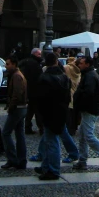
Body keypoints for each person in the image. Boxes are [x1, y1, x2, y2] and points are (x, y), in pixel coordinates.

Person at [72, 55, 99, 171]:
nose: (79, 65)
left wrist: (79, 103)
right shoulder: (89, 74)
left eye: (81, 63)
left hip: (89, 109)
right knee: (82, 135)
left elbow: (87, 93)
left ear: (87, 64)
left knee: (88, 135)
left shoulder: (90, 76)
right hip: (89, 108)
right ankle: (82, 161)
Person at [33, 51, 72, 180]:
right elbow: (67, 97)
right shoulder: (64, 77)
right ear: (56, 61)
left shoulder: (44, 78)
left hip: (49, 113)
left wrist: (41, 115)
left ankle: (53, 170)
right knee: (48, 141)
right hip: (61, 112)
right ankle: (46, 166)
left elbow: (40, 99)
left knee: (52, 142)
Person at [1, 55, 28, 170]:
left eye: (8, 64)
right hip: (21, 108)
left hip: (17, 108)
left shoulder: (16, 76)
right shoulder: (17, 75)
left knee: (6, 133)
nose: (6, 66)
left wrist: (10, 106)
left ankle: (13, 159)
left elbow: (17, 94)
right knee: (19, 134)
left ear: (14, 64)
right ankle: (21, 160)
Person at [19, 48, 43, 135]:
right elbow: (37, 78)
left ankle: (28, 127)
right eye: (39, 54)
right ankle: (41, 128)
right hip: (35, 91)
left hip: (29, 90)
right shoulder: (35, 64)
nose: (40, 56)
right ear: (34, 54)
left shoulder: (27, 62)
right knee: (37, 111)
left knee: (31, 110)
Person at [64, 56, 82, 136]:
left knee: (69, 114)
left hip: (68, 94)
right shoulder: (80, 71)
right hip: (76, 95)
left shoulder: (66, 68)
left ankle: (69, 129)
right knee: (75, 113)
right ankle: (74, 128)